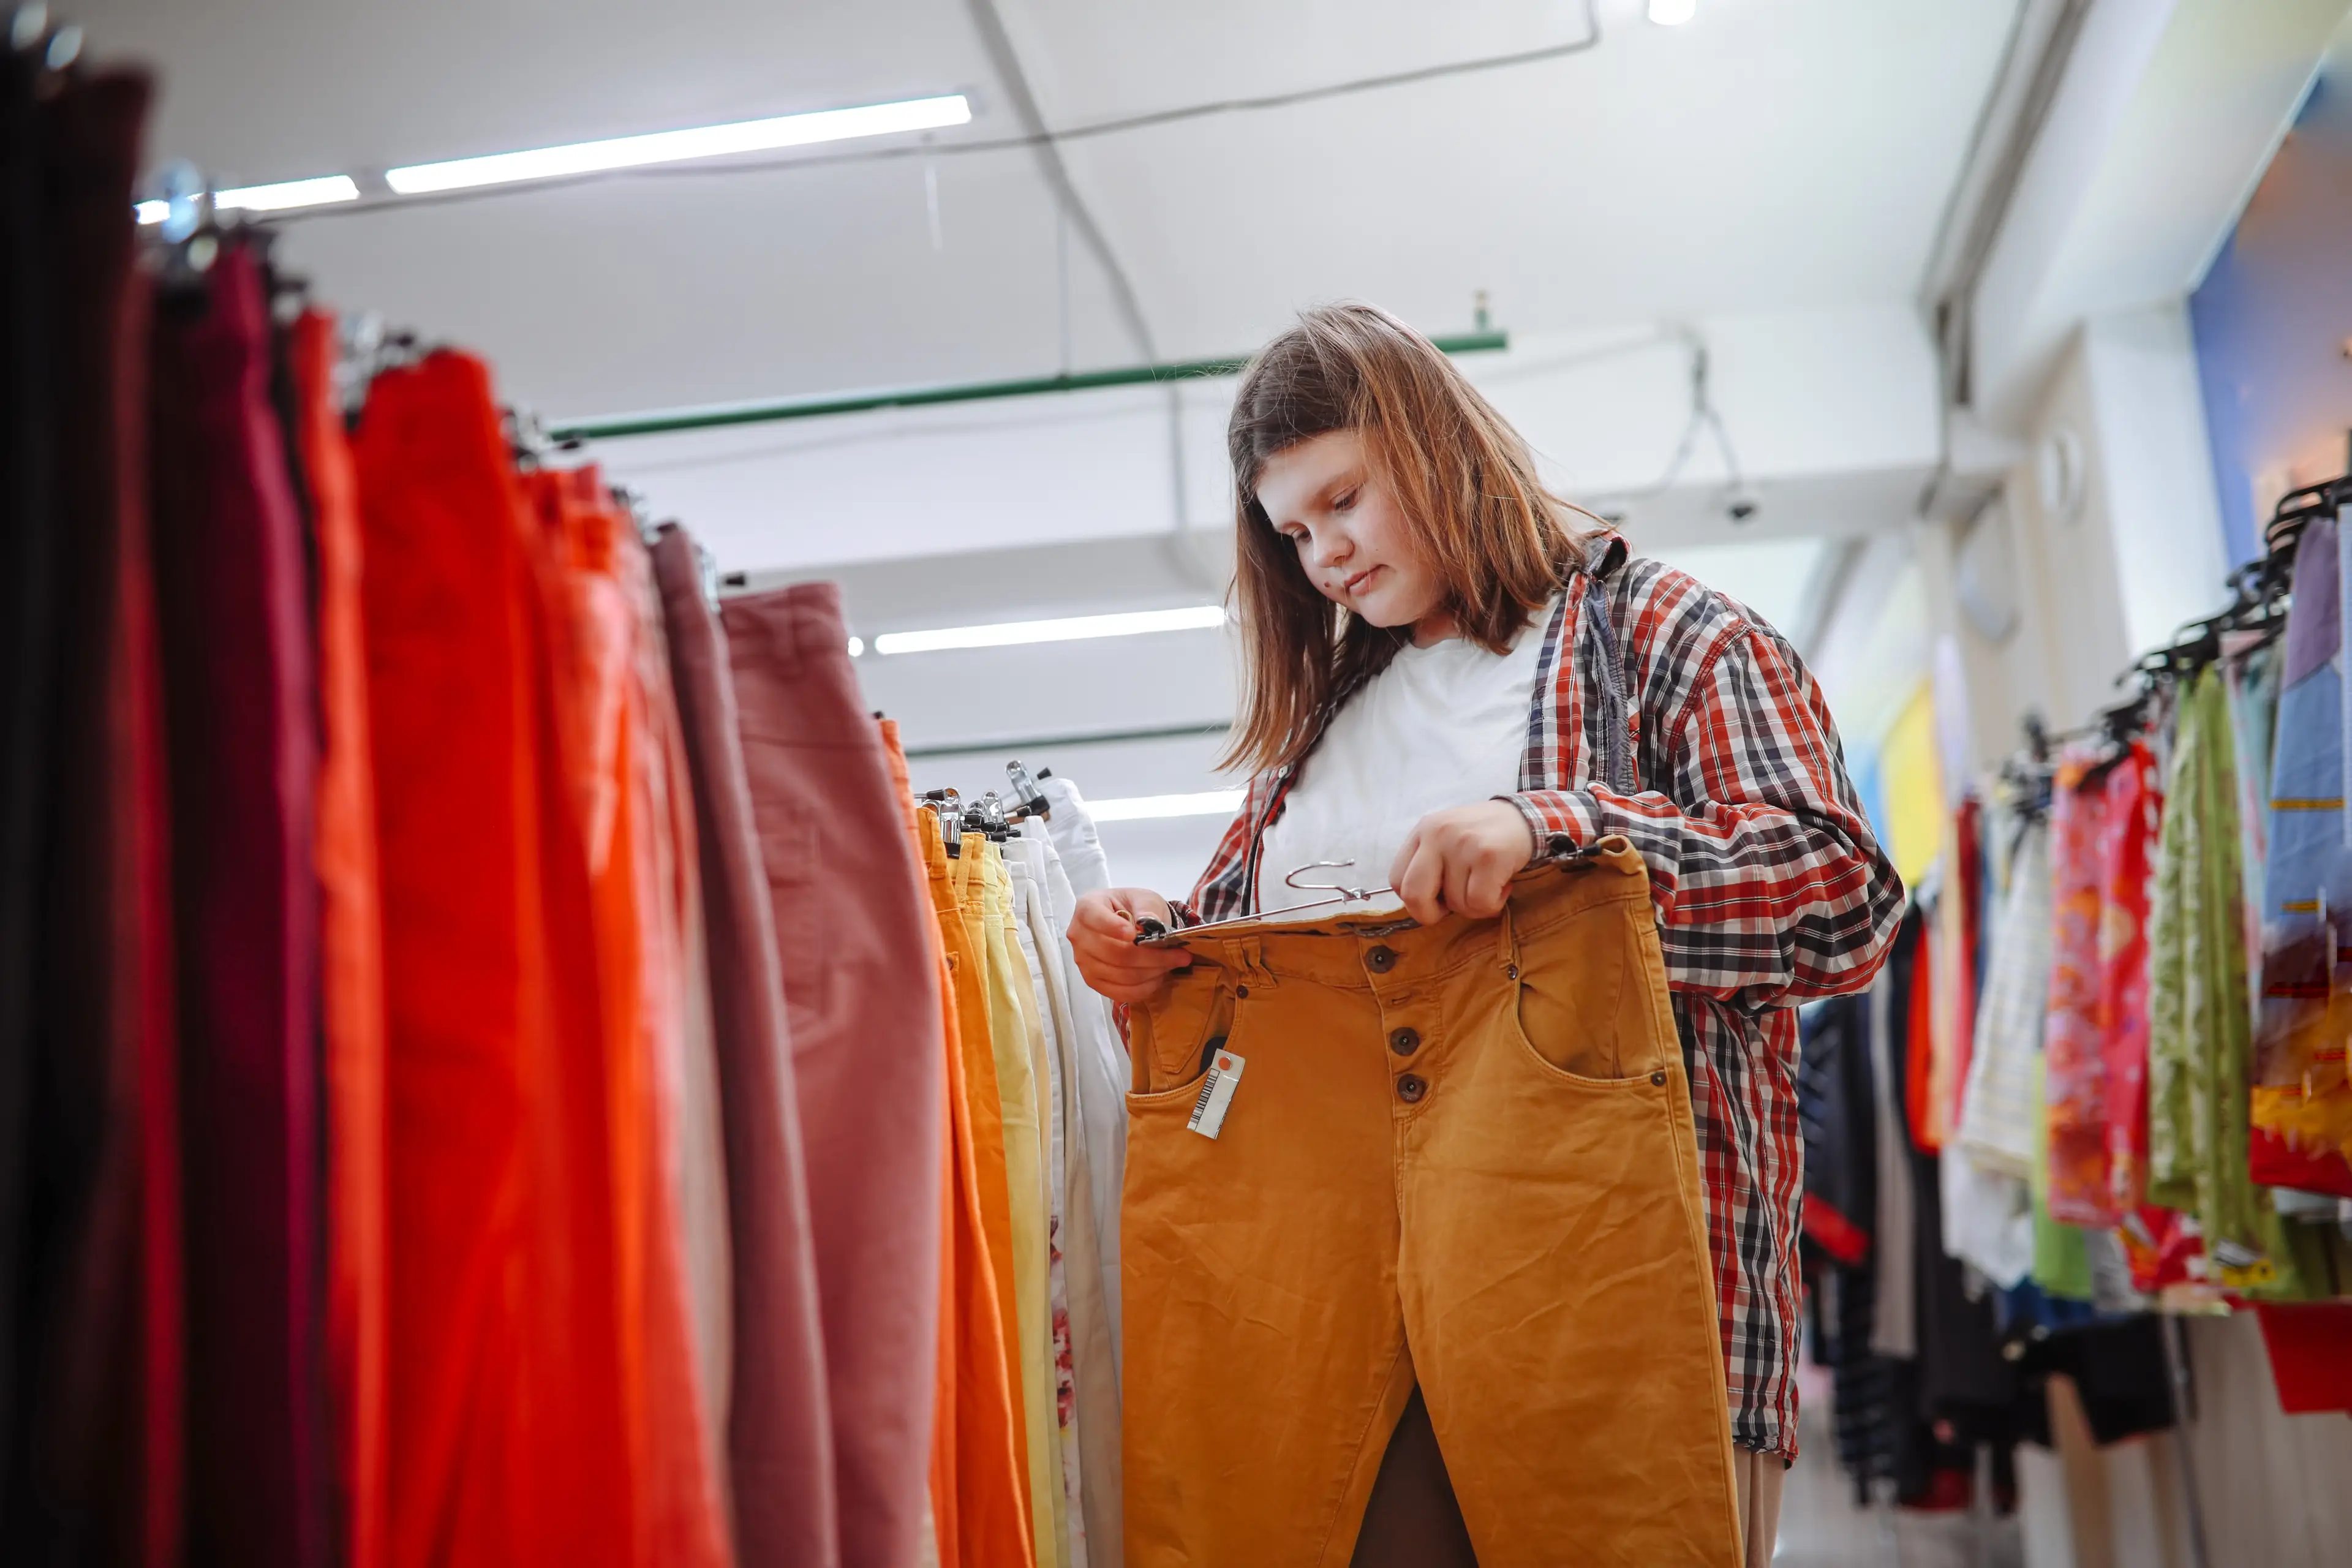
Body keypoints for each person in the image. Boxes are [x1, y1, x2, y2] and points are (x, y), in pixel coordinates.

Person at [1069, 303, 1904, 1564]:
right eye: (1293, 534)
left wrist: (1553, 833)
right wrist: (1150, 940)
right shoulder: (1321, 735)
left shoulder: (1669, 637)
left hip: (1621, 1310)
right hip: (1330, 1317)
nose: (1325, 557)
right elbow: (1245, 966)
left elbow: (1840, 897)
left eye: (1342, 500)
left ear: (1434, 442)